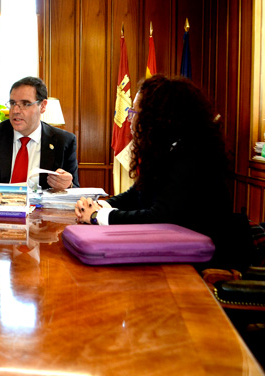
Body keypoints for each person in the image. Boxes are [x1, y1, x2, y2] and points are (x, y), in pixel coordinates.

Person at [74, 75, 246, 268]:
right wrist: (98, 206)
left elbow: (160, 217)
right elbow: (135, 195)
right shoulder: (166, 150)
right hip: (174, 254)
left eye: (135, 113)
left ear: (158, 118)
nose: (130, 121)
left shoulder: (192, 156)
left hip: (203, 266)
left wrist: (99, 217)